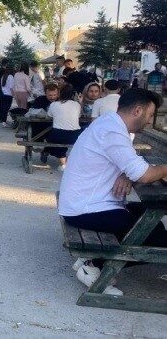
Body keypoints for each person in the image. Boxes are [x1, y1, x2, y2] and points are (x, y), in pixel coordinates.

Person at [58, 88, 167, 296]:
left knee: (150, 221)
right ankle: (94, 266)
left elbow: (131, 164)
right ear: (137, 111)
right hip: (86, 210)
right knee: (156, 241)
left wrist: (126, 174)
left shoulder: (111, 123)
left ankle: (91, 259)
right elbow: (143, 174)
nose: (150, 120)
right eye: (150, 114)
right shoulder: (112, 131)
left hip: (85, 203)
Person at [43, 84, 82, 170]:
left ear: (59, 94)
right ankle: (67, 163)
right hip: (74, 135)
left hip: (58, 135)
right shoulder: (77, 105)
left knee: (51, 137)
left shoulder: (54, 105)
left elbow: (48, 117)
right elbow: (78, 116)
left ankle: (63, 163)